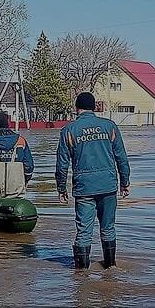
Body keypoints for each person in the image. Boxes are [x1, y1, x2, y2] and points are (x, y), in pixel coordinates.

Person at [55, 92, 131, 270]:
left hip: (84, 188)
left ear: (76, 108)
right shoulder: (109, 126)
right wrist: (125, 182)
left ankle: (81, 275)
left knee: (83, 232)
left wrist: (61, 187)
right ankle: (110, 268)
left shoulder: (69, 130)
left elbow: (62, 163)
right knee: (108, 228)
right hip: (108, 185)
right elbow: (121, 157)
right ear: (95, 107)